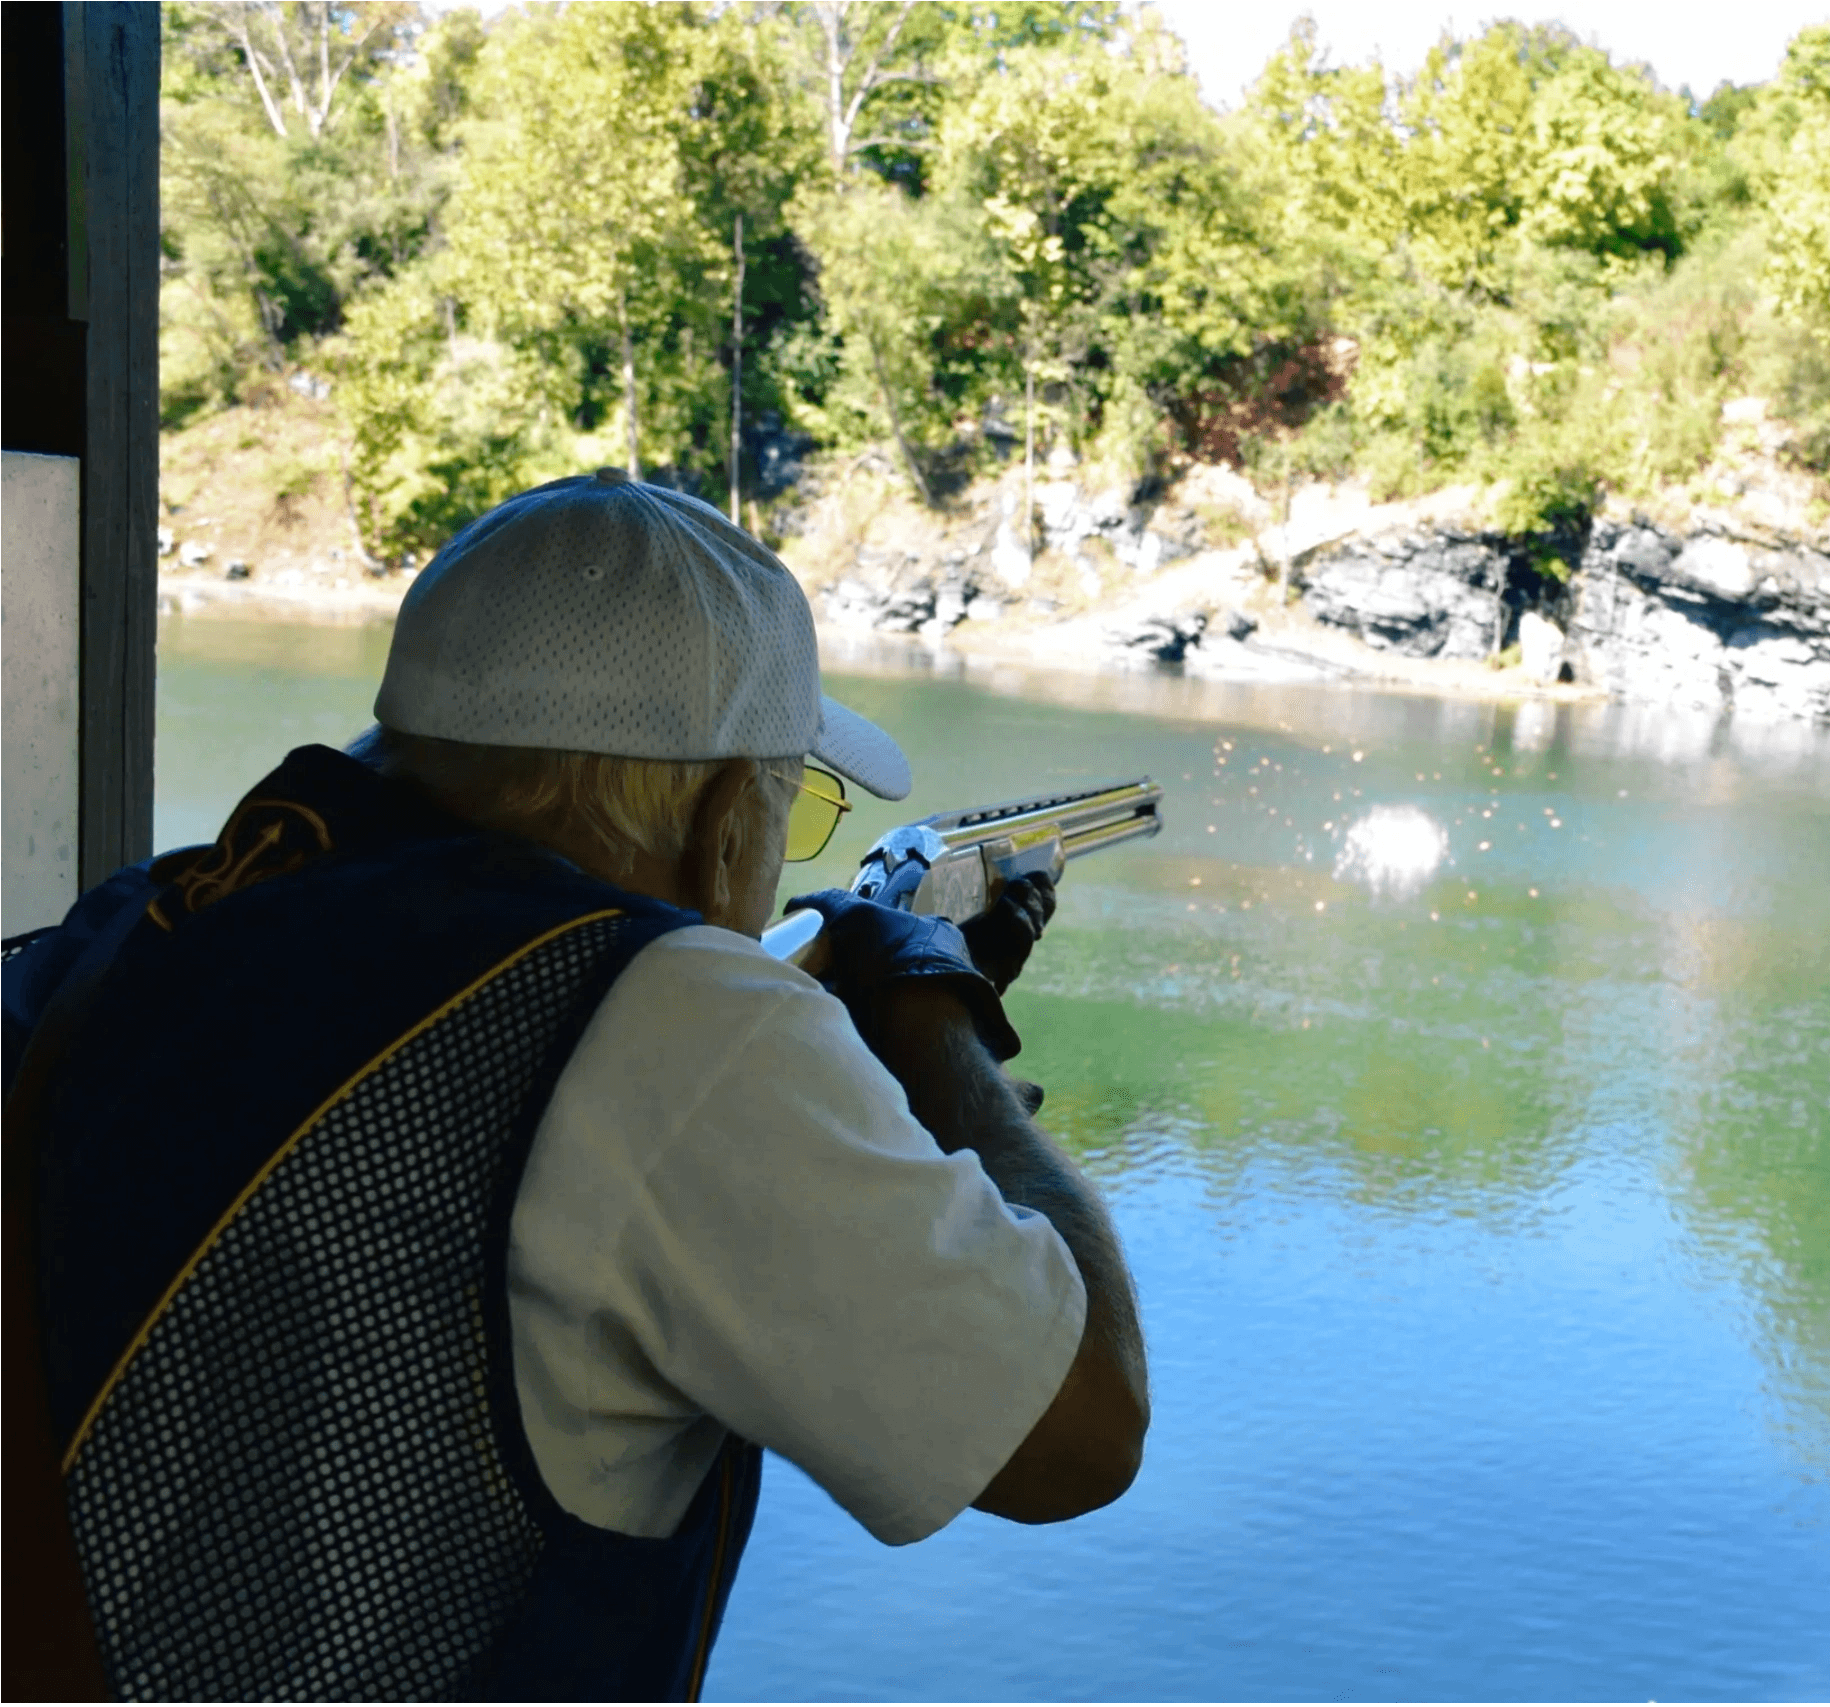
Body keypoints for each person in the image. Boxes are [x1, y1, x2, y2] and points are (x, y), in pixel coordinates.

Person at [0, 469, 1147, 1702]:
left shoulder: (150, 915)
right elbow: (1074, 1438)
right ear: (720, 818)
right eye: (788, 809)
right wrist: (930, 1010)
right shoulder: (679, 1023)